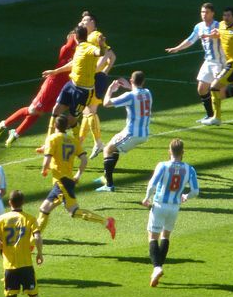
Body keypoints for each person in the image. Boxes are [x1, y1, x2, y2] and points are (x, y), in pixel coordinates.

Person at [0, 30, 76, 148]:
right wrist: (80, 28)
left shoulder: (80, 54)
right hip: (51, 85)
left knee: (39, 112)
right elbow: (71, 41)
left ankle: (16, 133)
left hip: (63, 88)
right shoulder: (66, 50)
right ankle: (4, 124)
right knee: (33, 110)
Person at [37, 116, 116, 238]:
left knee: (74, 212)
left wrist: (44, 169)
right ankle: (32, 241)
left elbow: (46, 161)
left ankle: (106, 222)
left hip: (61, 182)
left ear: (54, 126)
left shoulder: (52, 138)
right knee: (44, 209)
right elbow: (84, 159)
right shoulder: (73, 141)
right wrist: (78, 174)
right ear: (67, 127)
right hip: (65, 180)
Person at [166, 2, 233, 124]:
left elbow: (220, 36)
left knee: (219, 92)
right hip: (208, 61)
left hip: (219, 62)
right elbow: (190, 40)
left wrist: (210, 35)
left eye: (206, 12)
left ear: (212, 13)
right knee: (202, 89)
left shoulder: (219, 25)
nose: (204, 15)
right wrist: (177, 48)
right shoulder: (199, 27)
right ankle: (210, 115)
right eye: (202, 12)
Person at [141, 138, 198, 287]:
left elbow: (152, 184)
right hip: (174, 207)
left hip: (159, 204)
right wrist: (185, 196)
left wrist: (147, 198)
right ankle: (158, 267)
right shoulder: (189, 169)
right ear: (183, 152)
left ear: (169, 151)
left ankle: (157, 267)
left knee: (152, 236)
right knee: (165, 235)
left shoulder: (163, 166)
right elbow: (195, 191)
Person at [94, 71, 152, 192]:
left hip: (132, 133)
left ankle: (109, 185)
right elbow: (138, 92)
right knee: (113, 147)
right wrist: (129, 86)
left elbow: (106, 103)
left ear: (131, 80)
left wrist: (110, 89)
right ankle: (106, 178)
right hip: (144, 133)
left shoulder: (129, 96)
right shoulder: (148, 93)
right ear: (143, 81)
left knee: (107, 150)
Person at [41, 25, 106, 133]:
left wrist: (101, 45)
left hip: (84, 91)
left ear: (75, 36)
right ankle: (49, 141)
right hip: (71, 84)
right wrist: (54, 72)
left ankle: (77, 147)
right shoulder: (79, 48)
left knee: (71, 121)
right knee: (56, 110)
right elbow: (73, 63)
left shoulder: (89, 48)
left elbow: (100, 53)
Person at [78, 11, 117, 159]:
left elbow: (109, 56)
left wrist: (100, 71)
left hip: (94, 79)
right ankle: (80, 142)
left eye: (86, 20)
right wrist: (105, 71)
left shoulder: (95, 36)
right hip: (93, 78)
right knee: (86, 113)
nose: (82, 22)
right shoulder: (87, 37)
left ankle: (98, 142)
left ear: (93, 23)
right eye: (81, 21)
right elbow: (112, 56)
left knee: (89, 112)